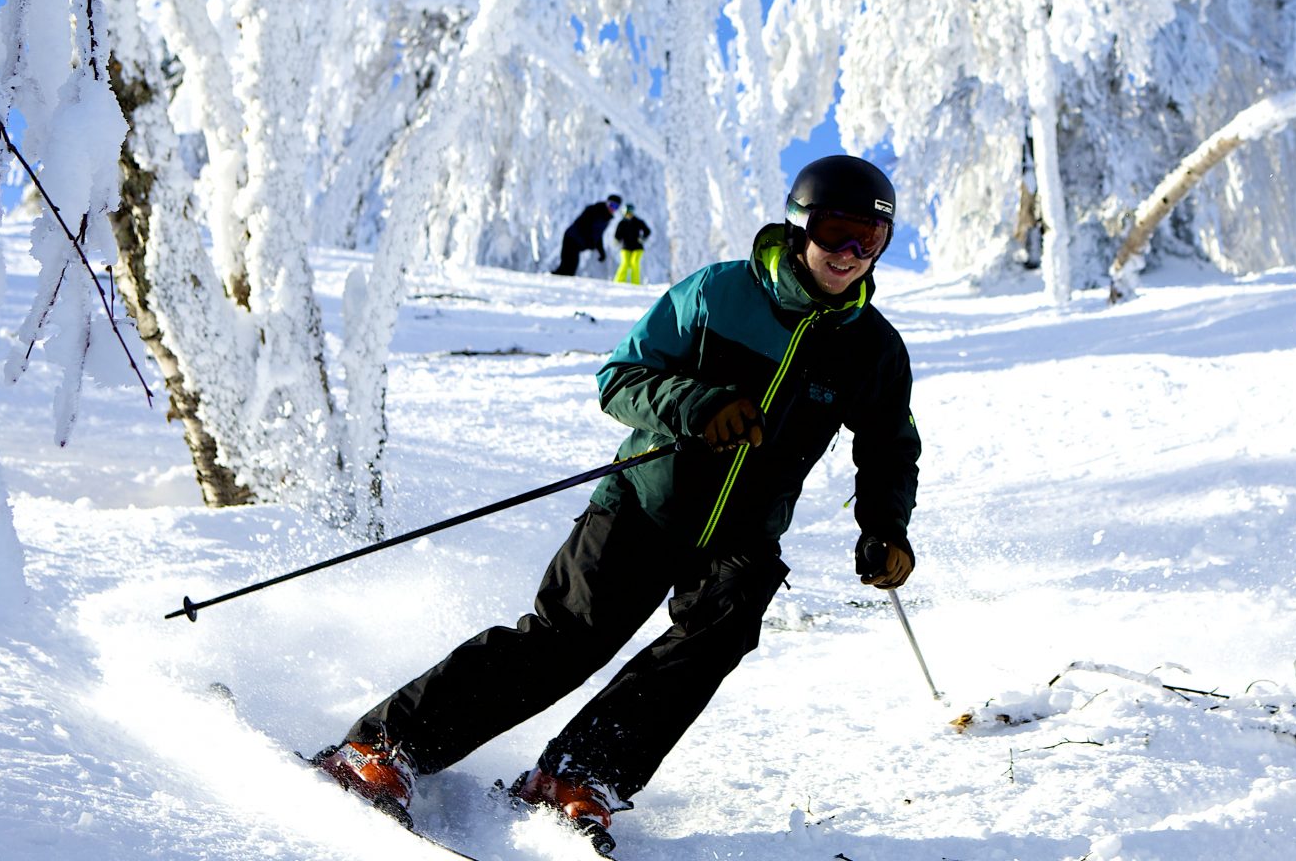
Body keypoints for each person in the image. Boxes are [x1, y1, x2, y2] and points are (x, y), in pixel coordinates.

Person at [310, 156, 920, 853]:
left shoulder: (871, 348)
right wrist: (698, 405)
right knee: (570, 637)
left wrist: (886, 528)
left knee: (720, 628)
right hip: (645, 500)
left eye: (868, 241)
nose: (849, 255)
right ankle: (383, 747)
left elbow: (889, 444)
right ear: (799, 224)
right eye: (836, 232)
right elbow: (620, 378)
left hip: (745, 530)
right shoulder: (720, 294)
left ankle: (577, 776)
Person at [554, 193, 622, 276]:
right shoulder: (594, 210)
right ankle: (550, 282)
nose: (612, 208)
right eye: (611, 205)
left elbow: (599, 235)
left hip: (578, 243)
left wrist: (601, 251)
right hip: (571, 238)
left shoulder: (606, 218)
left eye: (616, 207)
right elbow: (583, 224)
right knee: (567, 267)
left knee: (570, 268)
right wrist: (589, 240)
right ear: (606, 203)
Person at [612, 203, 651, 284]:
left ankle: (635, 283)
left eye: (631, 213)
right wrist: (616, 240)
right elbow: (617, 235)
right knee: (625, 263)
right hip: (625, 248)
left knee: (634, 263)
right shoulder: (621, 223)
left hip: (637, 247)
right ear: (624, 213)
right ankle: (618, 281)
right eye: (627, 213)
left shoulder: (638, 222)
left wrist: (643, 238)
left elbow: (647, 231)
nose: (629, 215)